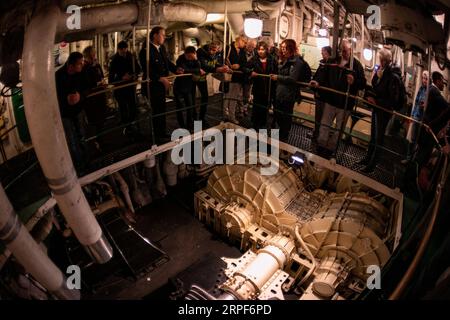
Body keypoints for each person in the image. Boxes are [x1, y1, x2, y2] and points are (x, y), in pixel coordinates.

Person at [310, 39, 366, 157]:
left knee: (338, 130)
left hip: (345, 104)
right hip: (330, 100)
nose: (343, 53)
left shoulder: (356, 66)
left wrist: (354, 81)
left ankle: (330, 150)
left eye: (345, 50)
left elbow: (362, 84)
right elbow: (323, 75)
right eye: (341, 50)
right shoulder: (333, 61)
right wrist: (318, 83)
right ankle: (320, 147)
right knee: (324, 125)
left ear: (351, 50)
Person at [358, 48, 403, 172]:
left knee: (379, 139)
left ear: (384, 60)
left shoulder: (392, 76)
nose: (379, 61)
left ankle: (372, 165)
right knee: (373, 136)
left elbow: (392, 100)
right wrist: (376, 76)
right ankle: (367, 159)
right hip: (377, 109)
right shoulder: (382, 71)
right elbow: (376, 86)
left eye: (380, 59)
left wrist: (377, 101)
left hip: (383, 111)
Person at [140, 26, 178, 142]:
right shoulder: (145, 51)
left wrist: (177, 69)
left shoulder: (162, 48)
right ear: (155, 35)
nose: (164, 37)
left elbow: (167, 62)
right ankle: (157, 135)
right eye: (162, 34)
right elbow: (147, 70)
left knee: (162, 109)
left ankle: (162, 131)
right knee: (157, 110)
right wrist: (160, 78)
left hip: (161, 85)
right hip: (153, 85)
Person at [55, 52, 89, 172]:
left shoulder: (82, 73)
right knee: (71, 141)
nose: (82, 65)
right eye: (80, 63)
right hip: (66, 114)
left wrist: (80, 96)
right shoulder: (58, 76)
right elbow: (55, 98)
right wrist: (66, 100)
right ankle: (78, 165)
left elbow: (87, 89)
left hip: (78, 111)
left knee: (83, 136)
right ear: (71, 65)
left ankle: (87, 160)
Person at [271, 39, 310, 142]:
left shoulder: (297, 62)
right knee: (278, 116)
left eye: (285, 48)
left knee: (285, 118)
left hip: (288, 95)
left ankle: (283, 139)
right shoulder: (285, 60)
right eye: (282, 48)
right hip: (280, 93)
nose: (283, 50)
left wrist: (278, 77)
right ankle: (279, 137)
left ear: (291, 48)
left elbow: (293, 79)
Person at [416, 71, 450, 168]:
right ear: (438, 81)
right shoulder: (434, 91)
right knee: (423, 155)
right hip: (429, 129)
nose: (443, 85)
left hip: (426, 127)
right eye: (442, 82)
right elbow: (446, 106)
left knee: (421, 153)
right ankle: (412, 176)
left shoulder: (430, 89)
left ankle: (413, 174)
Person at [108, 40, 141, 129]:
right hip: (120, 88)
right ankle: (125, 123)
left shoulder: (131, 57)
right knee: (123, 107)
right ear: (118, 50)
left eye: (125, 50)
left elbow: (138, 69)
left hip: (130, 86)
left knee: (132, 105)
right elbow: (111, 78)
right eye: (122, 50)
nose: (124, 52)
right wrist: (121, 78)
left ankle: (132, 122)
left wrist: (133, 75)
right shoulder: (114, 60)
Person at [245, 41, 277, 130]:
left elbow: (276, 71)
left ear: (266, 50)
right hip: (258, 86)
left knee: (266, 106)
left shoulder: (272, 59)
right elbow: (245, 68)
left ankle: (263, 124)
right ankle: (255, 124)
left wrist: (274, 77)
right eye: (259, 49)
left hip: (269, 87)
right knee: (256, 106)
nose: (260, 51)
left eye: (262, 49)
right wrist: (251, 72)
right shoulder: (254, 59)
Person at [194, 42, 229, 123]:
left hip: (202, 78)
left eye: (215, 51)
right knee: (192, 100)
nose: (212, 52)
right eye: (212, 50)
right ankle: (193, 118)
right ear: (209, 48)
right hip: (192, 78)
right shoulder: (201, 52)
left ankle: (201, 118)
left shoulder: (215, 54)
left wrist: (223, 67)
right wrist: (217, 69)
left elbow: (215, 63)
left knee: (205, 97)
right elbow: (204, 66)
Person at [173, 46, 204, 130]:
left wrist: (196, 59)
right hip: (179, 86)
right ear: (185, 54)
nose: (190, 59)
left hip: (189, 86)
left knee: (190, 106)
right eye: (188, 56)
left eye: (192, 56)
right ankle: (182, 125)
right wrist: (196, 70)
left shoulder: (195, 59)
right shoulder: (180, 58)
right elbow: (184, 69)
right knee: (179, 107)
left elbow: (198, 68)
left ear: (194, 54)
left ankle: (189, 124)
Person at [82, 46, 108, 134]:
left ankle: (101, 136)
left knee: (102, 118)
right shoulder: (84, 67)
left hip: (100, 94)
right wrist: (97, 83)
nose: (95, 55)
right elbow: (86, 82)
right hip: (92, 98)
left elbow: (101, 75)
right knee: (95, 120)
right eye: (93, 53)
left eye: (95, 53)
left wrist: (102, 81)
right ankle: (96, 139)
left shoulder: (97, 64)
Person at [223, 35, 247, 123]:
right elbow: (221, 60)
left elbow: (245, 63)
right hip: (228, 77)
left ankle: (231, 116)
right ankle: (225, 115)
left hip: (238, 78)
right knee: (227, 98)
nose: (245, 44)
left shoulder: (242, 52)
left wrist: (239, 65)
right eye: (244, 41)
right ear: (239, 40)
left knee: (233, 99)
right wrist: (229, 66)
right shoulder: (228, 48)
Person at [405, 71, 429, 160]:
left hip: (423, 120)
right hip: (417, 117)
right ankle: (408, 158)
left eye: (426, 79)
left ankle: (414, 159)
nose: (424, 80)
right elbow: (416, 103)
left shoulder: (430, 91)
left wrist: (425, 105)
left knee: (419, 141)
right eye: (423, 78)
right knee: (412, 139)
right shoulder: (421, 89)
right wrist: (412, 115)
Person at [312, 46, 332, 141]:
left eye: (323, 52)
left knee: (322, 117)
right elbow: (318, 76)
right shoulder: (322, 63)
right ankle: (316, 133)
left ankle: (319, 136)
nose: (321, 54)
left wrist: (319, 87)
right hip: (319, 94)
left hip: (324, 96)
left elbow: (327, 80)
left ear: (328, 53)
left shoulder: (330, 66)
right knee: (318, 116)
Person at [242, 39, 257, 117]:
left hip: (250, 78)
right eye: (250, 46)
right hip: (241, 77)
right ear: (247, 45)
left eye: (253, 47)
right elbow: (241, 64)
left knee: (247, 95)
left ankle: (245, 109)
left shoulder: (255, 54)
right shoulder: (242, 52)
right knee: (240, 94)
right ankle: (240, 109)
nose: (251, 48)